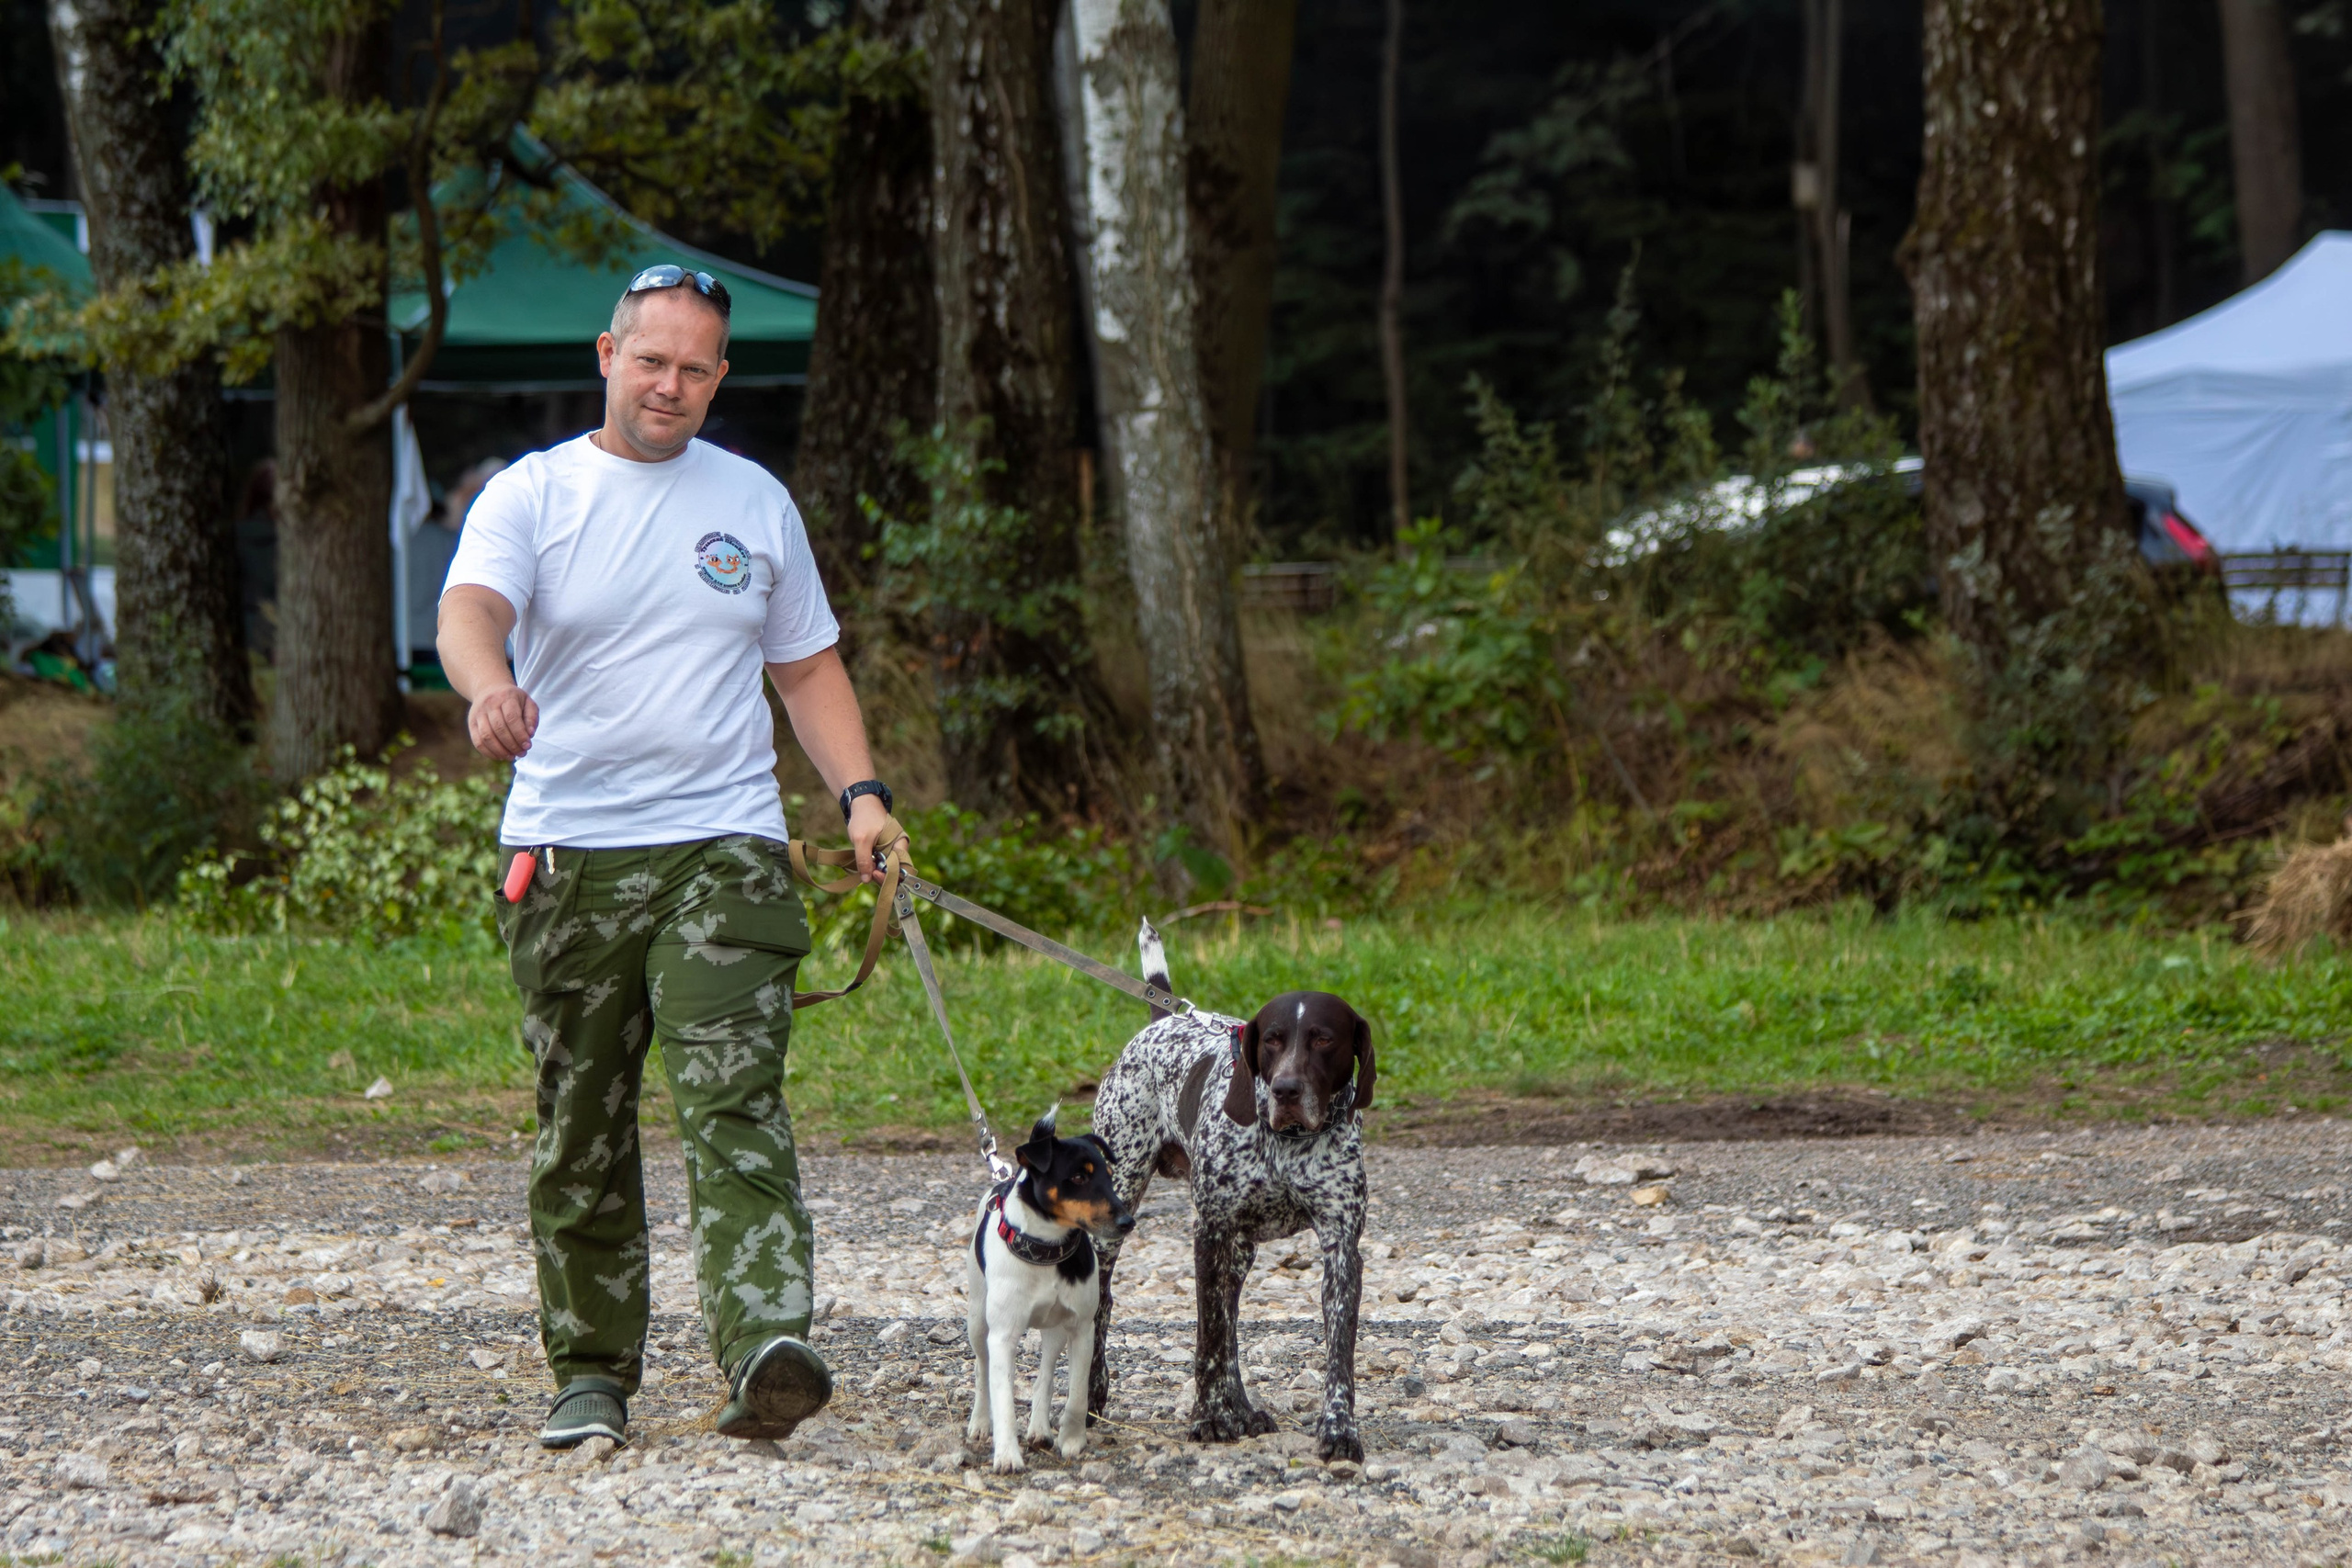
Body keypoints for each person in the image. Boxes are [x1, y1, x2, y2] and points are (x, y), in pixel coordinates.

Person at [437, 263, 905, 1450]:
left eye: (697, 367)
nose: (672, 384)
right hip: (571, 857)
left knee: (733, 1101)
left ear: (720, 378)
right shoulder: (533, 495)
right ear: (607, 355)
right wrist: (490, 691)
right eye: (652, 360)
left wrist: (861, 796)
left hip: (725, 850)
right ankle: (590, 1374)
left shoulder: (753, 501)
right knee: (581, 1122)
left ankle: (764, 1348)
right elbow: (470, 614)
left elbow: (804, 667)